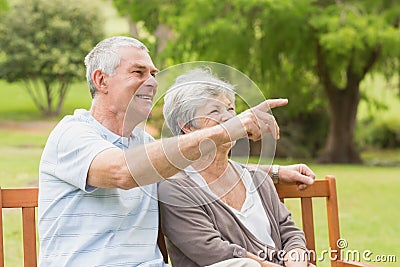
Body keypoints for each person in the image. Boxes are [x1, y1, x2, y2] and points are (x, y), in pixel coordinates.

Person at [38, 36, 314, 266]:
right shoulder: (72, 135)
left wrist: (275, 172)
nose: (153, 82)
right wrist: (231, 128)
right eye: (139, 72)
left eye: (154, 74)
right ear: (101, 80)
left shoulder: (143, 144)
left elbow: (201, 171)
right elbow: (123, 171)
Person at [159, 68, 314, 267]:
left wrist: (296, 263)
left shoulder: (258, 179)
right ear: (187, 126)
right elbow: (215, 252)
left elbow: (289, 233)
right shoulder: (175, 190)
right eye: (215, 111)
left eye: (231, 109)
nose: (228, 118)